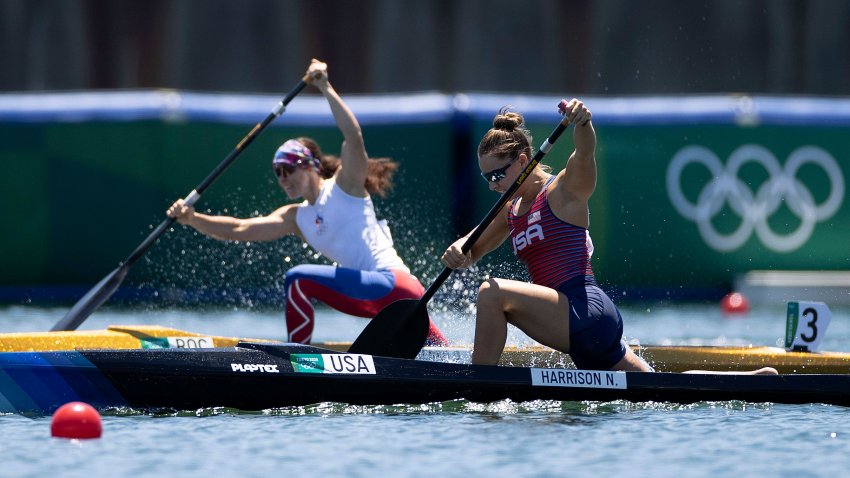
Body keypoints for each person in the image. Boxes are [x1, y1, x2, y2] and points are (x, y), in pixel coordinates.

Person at [441, 99, 776, 375]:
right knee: (659, 388)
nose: (494, 185)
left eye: (498, 175)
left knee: (490, 293)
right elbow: (470, 249)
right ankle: (747, 379)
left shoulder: (563, 190)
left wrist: (583, 124)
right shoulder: (509, 211)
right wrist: (456, 251)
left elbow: (584, 154)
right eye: (487, 178)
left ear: (524, 161)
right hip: (573, 323)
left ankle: (479, 384)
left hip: (585, 310)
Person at [167, 59, 448, 347]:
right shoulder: (295, 217)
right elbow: (239, 229)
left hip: (394, 286)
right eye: (277, 173)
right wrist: (192, 218)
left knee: (298, 278)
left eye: (288, 169)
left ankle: (296, 357)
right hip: (384, 302)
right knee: (445, 357)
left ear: (310, 166)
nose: (282, 179)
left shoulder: (345, 187)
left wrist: (325, 86)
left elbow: (353, 136)